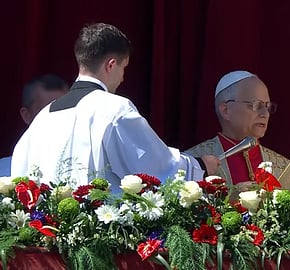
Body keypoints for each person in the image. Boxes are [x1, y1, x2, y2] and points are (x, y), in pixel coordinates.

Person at [11, 23, 220, 193]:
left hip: (46, 239)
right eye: (123, 68)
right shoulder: (114, 109)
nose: (123, 77)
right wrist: (199, 166)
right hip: (100, 240)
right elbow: (156, 168)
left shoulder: (43, 117)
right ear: (111, 65)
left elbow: (21, 179)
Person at [186, 70, 290, 186]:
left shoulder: (285, 167)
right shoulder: (191, 164)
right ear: (226, 110)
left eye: (268, 107)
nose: (265, 114)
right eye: (257, 105)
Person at [0, 74, 69, 176]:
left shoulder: (89, 166)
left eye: (66, 110)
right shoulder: (4, 174)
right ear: (26, 115)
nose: (60, 119)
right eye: (48, 111)